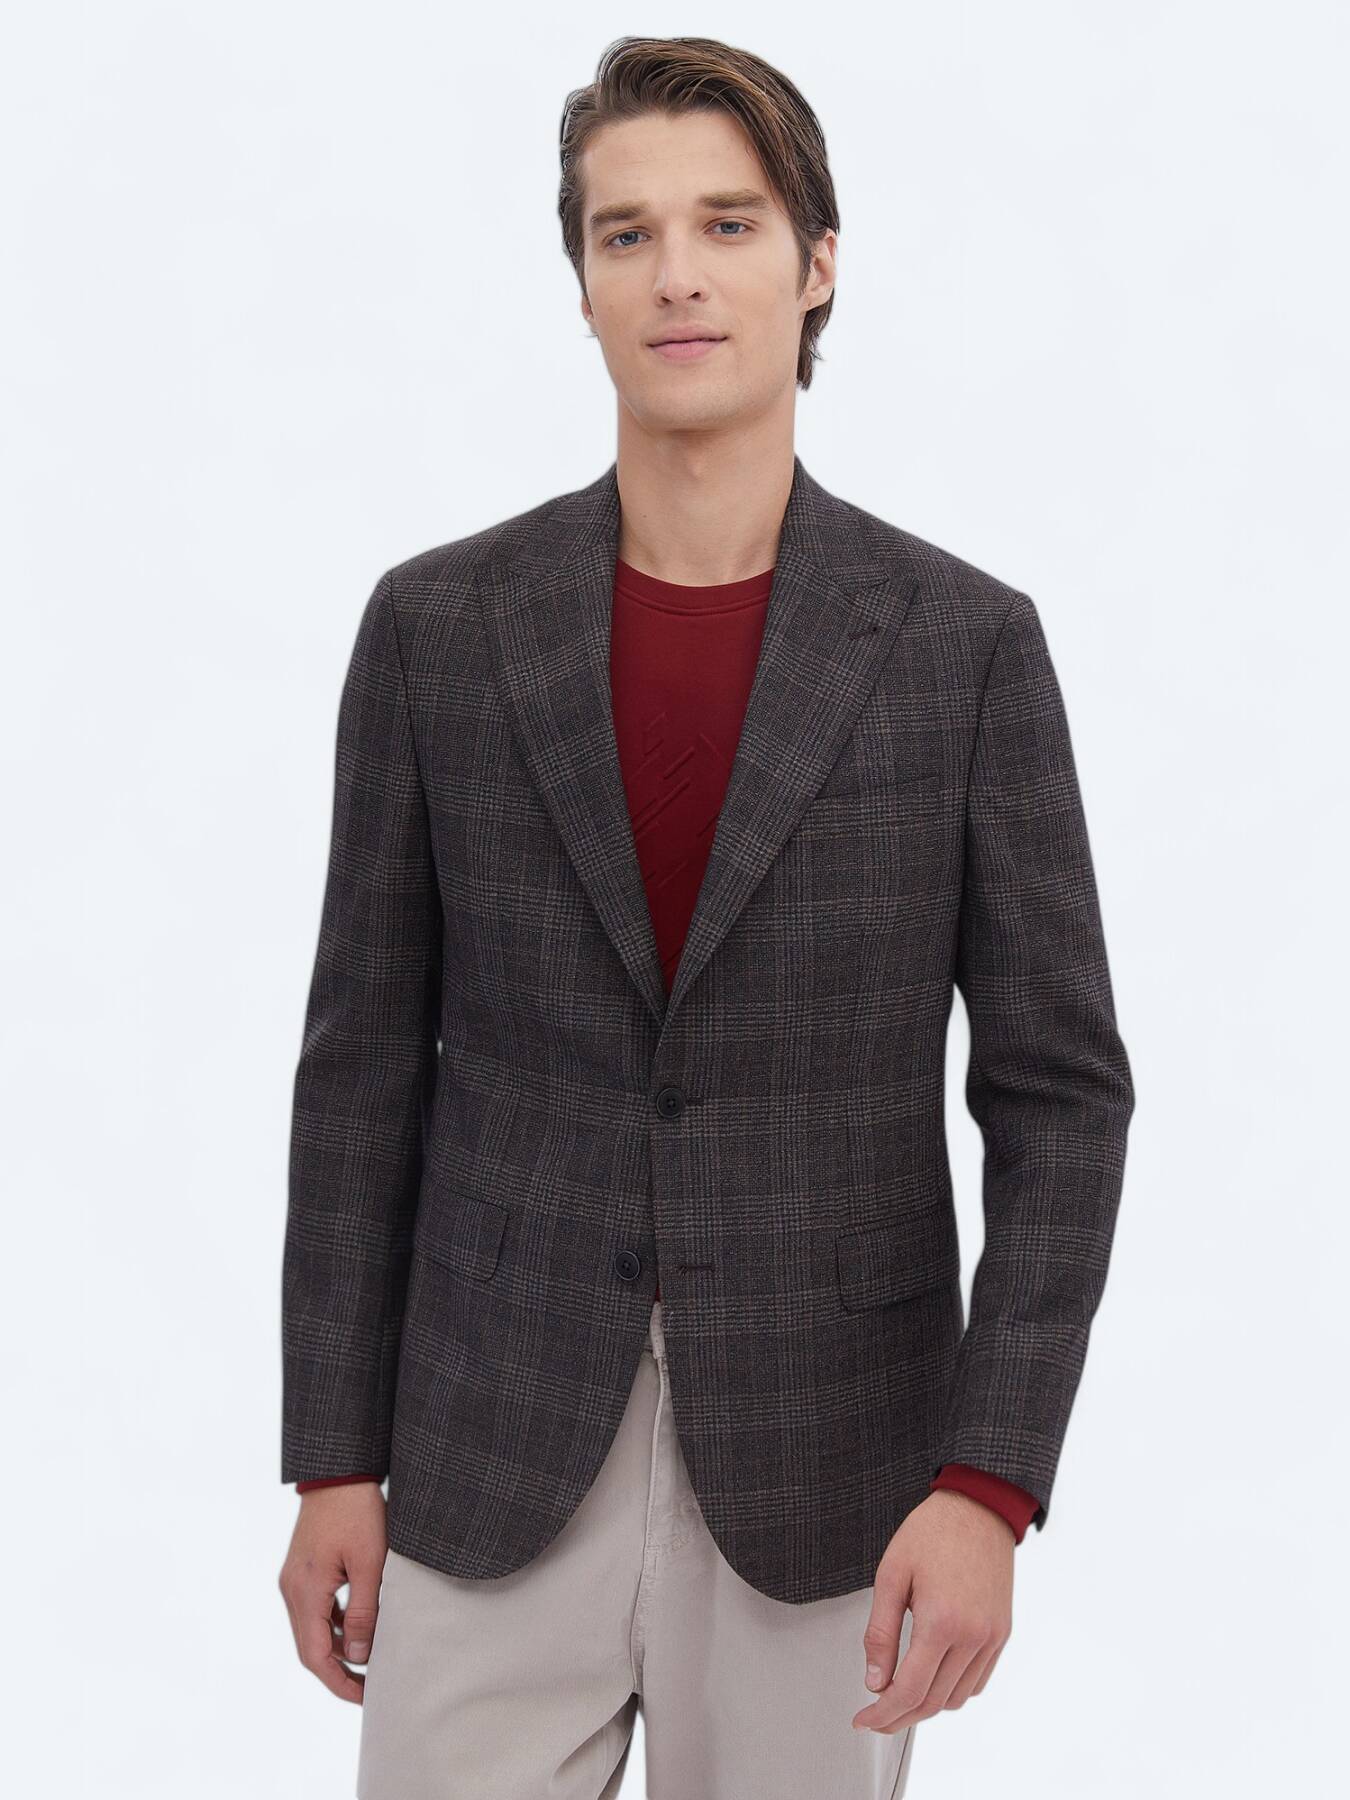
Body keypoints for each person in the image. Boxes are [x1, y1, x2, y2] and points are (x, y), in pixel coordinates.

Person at [277, 34, 1134, 1799]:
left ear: (814, 266)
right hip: (488, 1445)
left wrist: (989, 1485)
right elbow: (359, 1071)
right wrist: (331, 1456)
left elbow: (1059, 1099)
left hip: (834, 1466)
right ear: (582, 283)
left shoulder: (964, 649)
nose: (675, 273)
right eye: (627, 233)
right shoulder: (438, 628)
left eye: (727, 225)